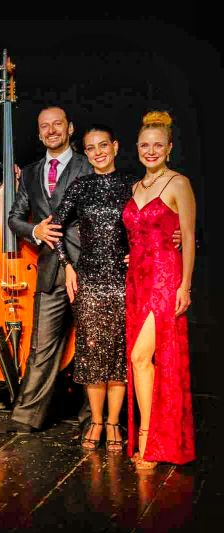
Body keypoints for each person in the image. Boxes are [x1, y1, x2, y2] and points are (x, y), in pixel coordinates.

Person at [0, 106, 93, 434]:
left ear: (70, 128)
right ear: (39, 133)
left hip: (88, 267)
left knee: (93, 346)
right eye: (45, 126)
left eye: (58, 124)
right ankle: (26, 417)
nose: (51, 130)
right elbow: (14, 218)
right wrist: (35, 230)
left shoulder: (89, 164)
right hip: (48, 270)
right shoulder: (31, 173)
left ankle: (95, 420)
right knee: (41, 348)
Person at [51, 125, 131, 449]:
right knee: (92, 354)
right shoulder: (81, 186)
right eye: (91, 148)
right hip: (89, 281)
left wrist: (140, 253)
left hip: (124, 282)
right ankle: (96, 421)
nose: (98, 152)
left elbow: (151, 226)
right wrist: (67, 265)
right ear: (85, 153)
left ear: (115, 146)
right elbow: (54, 227)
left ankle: (113, 423)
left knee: (118, 354)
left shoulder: (132, 185)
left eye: (103, 145)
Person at [123, 111, 196, 469]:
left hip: (165, 279)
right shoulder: (135, 188)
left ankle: (148, 439)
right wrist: (132, 254)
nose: (150, 151)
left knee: (142, 357)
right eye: (144, 146)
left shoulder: (179, 183)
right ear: (137, 148)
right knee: (140, 361)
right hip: (136, 280)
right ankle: (149, 437)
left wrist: (186, 286)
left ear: (169, 148)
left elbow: (189, 238)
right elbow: (138, 234)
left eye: (157, 145)